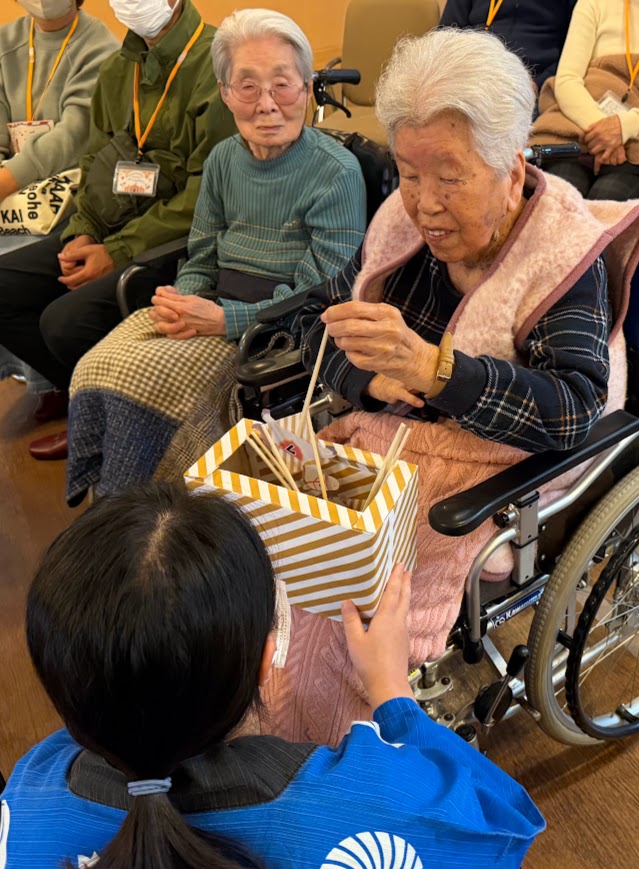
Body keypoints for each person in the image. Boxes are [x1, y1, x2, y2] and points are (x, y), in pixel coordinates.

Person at [251, 27, 639, 746]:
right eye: (408, 173)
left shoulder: (562, 254)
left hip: (500, 463)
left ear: (510, 167)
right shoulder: (399, 225)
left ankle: (330, 759)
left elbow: (571, 410)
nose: (423, 204)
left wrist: (436, 370)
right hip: (391, 435)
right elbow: (318, 319)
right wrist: (370, 379)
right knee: (259, 557)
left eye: (449, 176)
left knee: (341, 613)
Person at [0, 482, 545, 867]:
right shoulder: (365, 802)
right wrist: (393, 693)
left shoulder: (26, 800)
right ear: (268, 659)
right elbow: (497, 822)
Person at [61, 9, 366, 504]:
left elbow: (320, 299)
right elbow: (201, 255)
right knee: (96, 366)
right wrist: (182, 302)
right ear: (225, 93)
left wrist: (224, 320)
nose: (267, 104)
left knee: (149, 388)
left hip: (274, 334)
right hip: (212, 309)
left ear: (308, 87)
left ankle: (150, 510)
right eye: (247, 87)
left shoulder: (337, 173)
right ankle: (116, 507)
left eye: (283, 85)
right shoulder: (224, 158)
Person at [0, 0, 236, 461]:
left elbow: (205, 194)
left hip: (172, 240)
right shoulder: (117, 69)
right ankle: (87, 401)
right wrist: (83, 232)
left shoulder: (216, 62)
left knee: (63, 323)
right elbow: (94, 163)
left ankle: (109, 417)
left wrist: (119, 251)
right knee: (4, 286)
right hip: (110, 226)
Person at [0, 0, 119, 421]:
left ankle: (60, 386)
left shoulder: (99, 45)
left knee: (16, 257)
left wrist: (7, 182)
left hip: (72, 194)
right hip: (13, 188)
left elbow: (73, 136)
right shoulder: (8, 41)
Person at [531, 0, 639, 200]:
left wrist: (625, 127)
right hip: (577, 126)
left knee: (606, 199)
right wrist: (604, 131)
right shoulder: (593, 3)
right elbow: (567, 80)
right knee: (562, 199)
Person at [440, 0, 578, 96]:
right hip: (472, 76)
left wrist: (539, 84)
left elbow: (574, 51)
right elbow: (446, 36)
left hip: (533, 82)